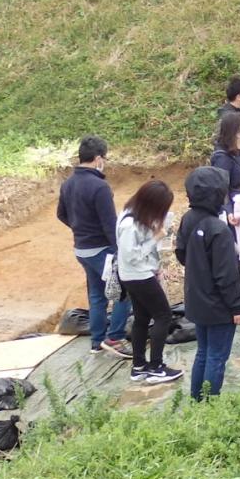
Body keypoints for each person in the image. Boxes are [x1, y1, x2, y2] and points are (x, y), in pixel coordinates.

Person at [175, 166, 240, 398]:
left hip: (196, 298)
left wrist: (199, 266)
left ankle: (197, 400)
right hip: (219, 305)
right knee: (217, 356)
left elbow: (181, 254)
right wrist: (237, 306)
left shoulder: (188, 219)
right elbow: (226, 275)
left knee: (203, 352)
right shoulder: (218, 229)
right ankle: (209, 406)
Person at [56, 136, 131, 357]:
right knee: (124, 292)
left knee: (97, 295)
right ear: (98, 158)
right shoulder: (100, 186)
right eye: (104, 159)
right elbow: (110, 224)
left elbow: (61, 214)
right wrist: (120, 250)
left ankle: (97, 342)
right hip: (101, 250)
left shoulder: (68, 183)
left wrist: (80, 229)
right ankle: (115, 338)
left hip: (81, 249)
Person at [116, 179, 182, 385]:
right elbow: (131, 256)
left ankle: (139, 366)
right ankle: (156, 367)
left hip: (137, 275)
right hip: (137, 276)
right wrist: (156, 238)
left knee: (142, 318)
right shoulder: (128, 224)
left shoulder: (135, 216)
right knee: (163, 315)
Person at [210, 111, 240, 207]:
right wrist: (228, 210)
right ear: (235, 130)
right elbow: (221, 188)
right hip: (235, 209)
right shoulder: (222, 158)